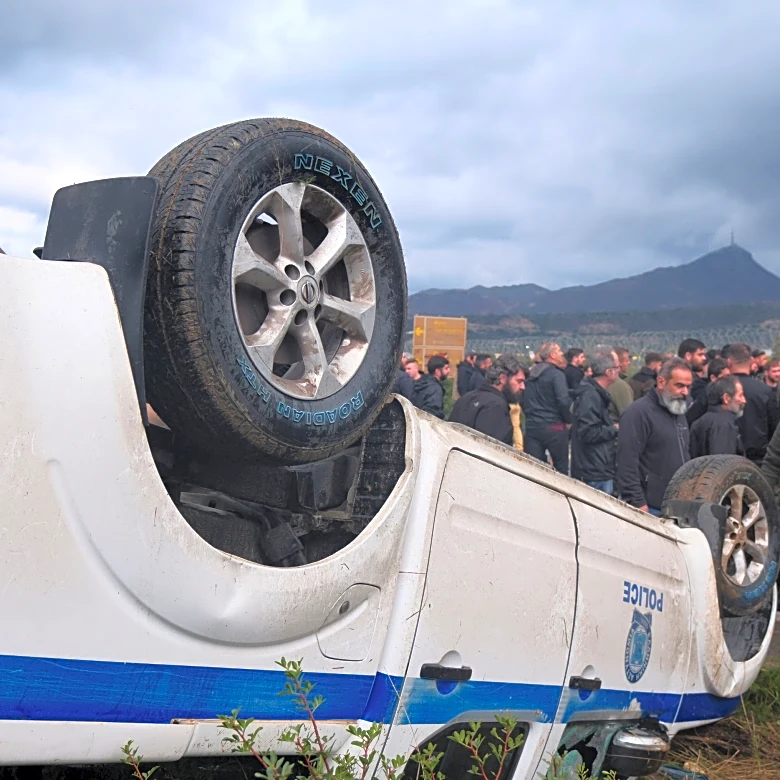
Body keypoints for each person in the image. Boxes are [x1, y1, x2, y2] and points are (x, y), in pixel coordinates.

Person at [617, 358, 692, 514]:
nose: (685, 392)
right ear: (661, 382)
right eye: (679, 385)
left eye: (688, 387)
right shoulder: (638, 413)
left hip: (676, 505)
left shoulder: (678, 411)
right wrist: (637, 502)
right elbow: (627, 461)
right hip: (649, 507)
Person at [571, 349, 621, 494]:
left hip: (596, 466)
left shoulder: (594, 393)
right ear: (608, 372)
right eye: (617, 367)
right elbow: (588, 432)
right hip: (594, 470)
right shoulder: (590, 396)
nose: (620, 370)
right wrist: (615, 428)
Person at [449, 354, 526, 445]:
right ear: (502, 378)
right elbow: (491, 450)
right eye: (519, 381)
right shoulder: (496, 406)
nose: (523, 387)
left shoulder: (466, 398)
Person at [723, 343, 778, 464]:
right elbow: (774, 426)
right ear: (751, 361)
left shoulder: (717, 389)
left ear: (729, 362)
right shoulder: (764, 391)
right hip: (760, 458)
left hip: (726, 459)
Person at [523, 342, 572, 473]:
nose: (562, 353)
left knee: (534, 469)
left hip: (532, 427)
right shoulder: (557, 375)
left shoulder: (530, 374)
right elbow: (563, 400)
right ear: (552, 355)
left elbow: (523, 398)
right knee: (561, 470)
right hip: (554, 427)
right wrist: (568, 420)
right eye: (559, 350)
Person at [689, 376, 746, 458]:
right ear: (726, 398)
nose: (744, 400)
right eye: (740, 395)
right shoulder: (724, 424)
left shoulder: (699, 422)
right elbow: (723, 462)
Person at [607, 346, 634, 424]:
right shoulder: (621, 387)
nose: (629, 363)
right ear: (618, 363)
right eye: (626, 361)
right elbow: (630, 418)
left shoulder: (591, 381)